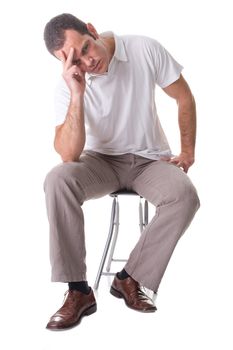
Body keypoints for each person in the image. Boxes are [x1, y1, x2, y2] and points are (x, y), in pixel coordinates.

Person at [43, 13, 200, 331]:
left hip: (150, 160)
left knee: (184, 195)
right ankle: (78, 292)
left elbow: (184, 97)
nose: (87, 61)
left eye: (86, 48)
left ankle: (129, 279)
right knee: (57, 179)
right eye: (74, 59)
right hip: (101, 162)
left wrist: (187, 152)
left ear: (92, 30)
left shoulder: (143, 49)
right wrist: (77, 93)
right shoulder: (70, 85)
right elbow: (69, 155)